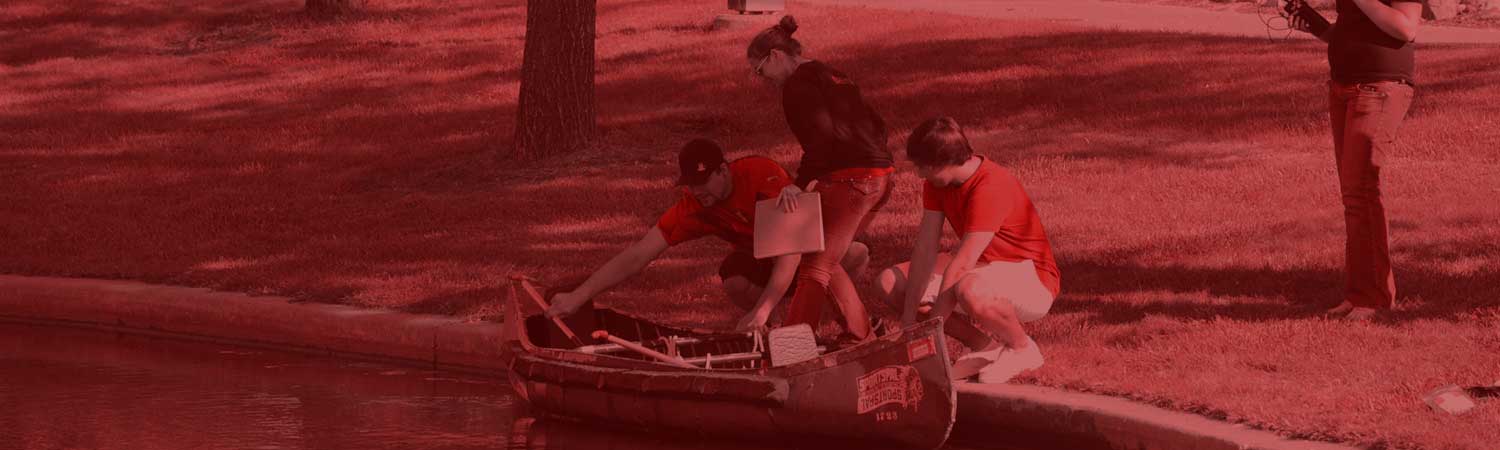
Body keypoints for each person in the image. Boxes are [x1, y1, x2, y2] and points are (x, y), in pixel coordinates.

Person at [546, 139, 870, 332]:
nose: (697, 192)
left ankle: (831, 323)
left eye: (703, 183)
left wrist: (763, 307)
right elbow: (637, 255)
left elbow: (789, 250)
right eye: (691, 185)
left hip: (801, 248)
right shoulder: (694, 206)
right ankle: (773, 332)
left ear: (723, 171)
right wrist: (578, 296)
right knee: (733, 275)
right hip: (764, 256)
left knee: (848, 257)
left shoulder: (758, 174)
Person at [875, 117, 1061, 384]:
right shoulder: (938, 183)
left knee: (967, 287)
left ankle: (1022, 348)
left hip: (1032, 277)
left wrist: (931, 327)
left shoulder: (990, 186)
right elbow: (926, 247)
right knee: (890, 283)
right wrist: (908, 318)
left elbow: (962, 263)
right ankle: (984, 347)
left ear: (943, 162)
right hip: (982, 266)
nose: (918, 174)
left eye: (923, 167)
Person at [746, 15, 894, 342]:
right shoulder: (832, 73)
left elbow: (820, 141)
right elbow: (878, 125)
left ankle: (794, 348)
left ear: (775, 56)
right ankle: (860, 335)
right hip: (881, 175)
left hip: (852, 181)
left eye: (760, 71)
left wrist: (798, 186)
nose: (763, 80)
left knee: (814, 264)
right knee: (826, 255)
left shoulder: (797, 85)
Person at [1286, 0, 1422, 321]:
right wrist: (1312, 22)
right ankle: (1359, 293)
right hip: (1344, 87)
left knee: (1361, 192)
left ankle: (1374, 298)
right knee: (1354, 196)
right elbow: (1351, 31)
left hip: (1379, 88)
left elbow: (1405, 27)